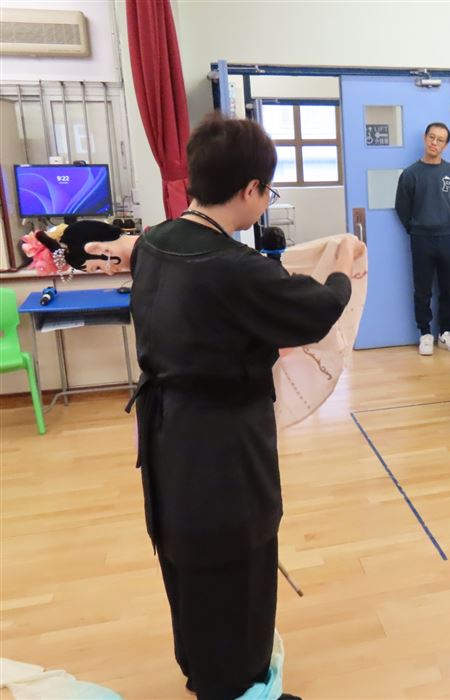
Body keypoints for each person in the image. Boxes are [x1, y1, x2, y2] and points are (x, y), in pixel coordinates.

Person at [126, 113, 361, 699]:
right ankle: (235, 687)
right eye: (267, 191)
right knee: (239, 560)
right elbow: (315, 309)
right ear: (251, 188)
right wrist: (340, 272)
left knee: (185, 556)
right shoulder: (233, 267)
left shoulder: (154, 243)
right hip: (223, 441)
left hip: (168, 434)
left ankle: (203, 672)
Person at [394, 122, 450, 356]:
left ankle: (445, 332)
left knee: (448, 288)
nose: (435, 142)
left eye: (440, 140)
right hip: (421, 239)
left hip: (448, 237)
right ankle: (425, 333)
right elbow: (402, 207)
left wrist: (448, 223)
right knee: (422, 289)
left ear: (445, 145)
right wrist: (416, 229)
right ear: (425, 139)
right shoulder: (410, 174)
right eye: (432, 137)